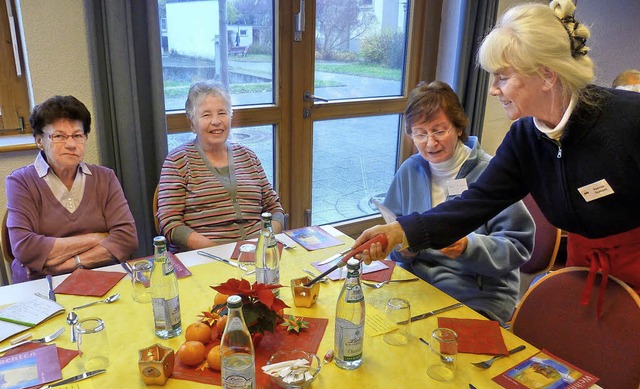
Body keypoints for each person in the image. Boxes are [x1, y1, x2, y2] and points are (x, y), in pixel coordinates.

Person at [355, 0, 640, 317]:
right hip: (582, 271)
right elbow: (473, 204)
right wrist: (399, 232)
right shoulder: (525, 138)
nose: (493, 90)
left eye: (502, 77)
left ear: (546, 75)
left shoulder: (629, 121)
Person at [382, 80, 534, 325]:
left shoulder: (492, 173)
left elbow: (518, 246)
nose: (430, 143)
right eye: (420, 134)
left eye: (439, 131)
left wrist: (467, 246)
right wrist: (404, 250)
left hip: (475, 292)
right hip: (418, 282)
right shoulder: (410, 170)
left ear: (459, 127)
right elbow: (396, 237)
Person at [6, 95, 138, 283]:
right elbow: (25, 248)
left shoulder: (105, 177)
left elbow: (127, 239)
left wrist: (69, 264)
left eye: (77, 135)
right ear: (39, 140)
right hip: (41, 285)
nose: (71, 144)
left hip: (102, 278)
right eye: (59, 136)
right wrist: (97, 238)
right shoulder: (20, 182)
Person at [157, 80, 285, 252]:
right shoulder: (177, 161)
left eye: (222, 113)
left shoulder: (248, 156)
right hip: (206, 256)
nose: (216, 121)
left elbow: (275, 208)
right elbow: (169, 223)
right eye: (206, 115)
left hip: (258, 253)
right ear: (192, 123)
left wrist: (265, 240)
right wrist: (219, 250)